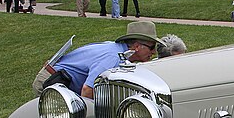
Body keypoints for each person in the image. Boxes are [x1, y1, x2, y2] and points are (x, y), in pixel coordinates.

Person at [32, 21, 163, 99]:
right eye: (152, 47)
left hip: (61, 81)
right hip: (50, 82)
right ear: (136, 47)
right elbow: (87, 91)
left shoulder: (117, 51)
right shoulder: (113, 58)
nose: (154, 52)